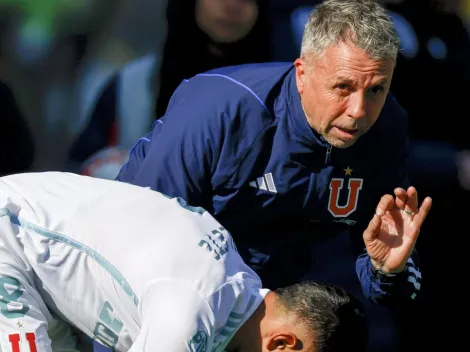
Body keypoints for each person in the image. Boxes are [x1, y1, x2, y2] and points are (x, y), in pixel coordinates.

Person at [116, 0, 432, 349]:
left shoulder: (386, 126)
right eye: (342, 87)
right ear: (302, 73)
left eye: (376, 89)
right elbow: (139, 234)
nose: (358, 111)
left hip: (272, 294)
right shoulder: (220, 108)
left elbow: (381, 279)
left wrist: (387, 270)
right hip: (147, 285)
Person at [0, 171, 368, 352]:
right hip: (9, 239)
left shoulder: (234, 291)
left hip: (42, 279)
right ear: (283, 344)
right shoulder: (192, 310)